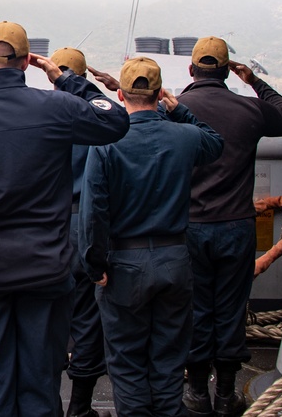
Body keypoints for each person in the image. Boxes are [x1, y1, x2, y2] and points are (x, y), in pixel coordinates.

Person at [0, 21, 129, 417]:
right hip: (46, 272)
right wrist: (65, 79)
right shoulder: (57, 106)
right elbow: (115, 119)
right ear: (26, 63)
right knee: (41, 381)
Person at [80, 57, 224, 417]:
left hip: (124, 264)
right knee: (169, 357)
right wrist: (180, 112)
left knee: (127, 361)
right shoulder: (185, 137)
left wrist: (94, 264)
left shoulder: (106, 142)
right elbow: (216, 143)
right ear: (160, 94)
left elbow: (94, 210)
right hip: (175, 261)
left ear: (119, 92)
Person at [176, 36, 282, 417]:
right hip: (236, 226)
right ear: (229, 70)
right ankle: (227, 395)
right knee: (230, 310)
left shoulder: (175, 108)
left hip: (189, 227)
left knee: (195, 309)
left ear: (192, 70)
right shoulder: (249, 108)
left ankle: (196, 392)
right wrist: (254, 82)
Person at [49, 47, 118, 417]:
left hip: (47, 227)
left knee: (46, 317)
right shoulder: (98, 122)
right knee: (89, 317)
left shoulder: (40, 115)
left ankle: (48, 405)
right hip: (87, 224)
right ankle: (80, 407)